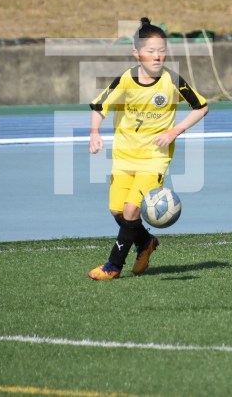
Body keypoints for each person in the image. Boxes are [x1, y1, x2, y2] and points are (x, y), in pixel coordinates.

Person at [87, 18, 208, 280]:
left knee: (132, 211)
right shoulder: (126, 80)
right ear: (137, 53)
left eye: (162, 50)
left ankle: (113, 267)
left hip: (154, 159)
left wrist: (175, 131)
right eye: (151, 51)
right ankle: (146, 242)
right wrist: (94, 133)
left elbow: (201, 107)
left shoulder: (172, 80)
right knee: (118, 211)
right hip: (123, 158)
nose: (157, 56)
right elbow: (99, 106)